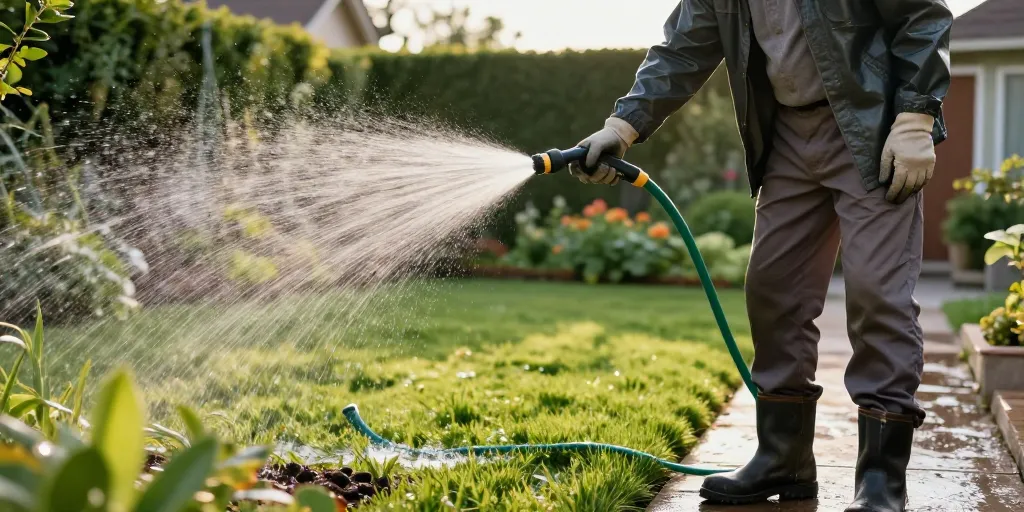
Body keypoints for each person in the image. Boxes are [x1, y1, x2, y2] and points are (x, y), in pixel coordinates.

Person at [569, 1, 953, 510]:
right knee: (774, 292)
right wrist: (621, 128)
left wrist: (915, 117)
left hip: (873, 131)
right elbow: (680, 51)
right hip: (789, 137)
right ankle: (783, 458)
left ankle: (882, 479)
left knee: (878, 296)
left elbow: (923, 16)